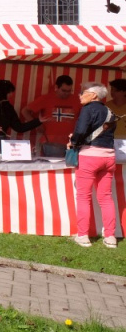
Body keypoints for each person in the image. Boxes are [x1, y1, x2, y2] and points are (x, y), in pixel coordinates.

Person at [70, 83, 117, 248]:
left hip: (89, 156)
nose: (80, 96)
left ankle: (83, 235)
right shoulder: (110, 111)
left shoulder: (88, 109)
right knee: (106, 197)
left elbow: (81, 131)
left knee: (84, 196)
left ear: (93, 94)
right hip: (109, 156)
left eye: (82, 93)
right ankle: (110, 237)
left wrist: (73, 141)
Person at [0, 79, 46, 154]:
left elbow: (19, 127)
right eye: (9, 92)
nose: (11, 94)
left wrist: (38, 121)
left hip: (0, 146)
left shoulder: (8, 108)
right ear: (2, 92)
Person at [22, 75, 82, 151]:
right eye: (63, 90)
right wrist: (36, 125)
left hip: (72, 143)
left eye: (69, 91)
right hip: (50, 142)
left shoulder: (78, 100)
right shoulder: (46, 98)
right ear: (56, 87)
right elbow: (25, 111)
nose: (66, 93)